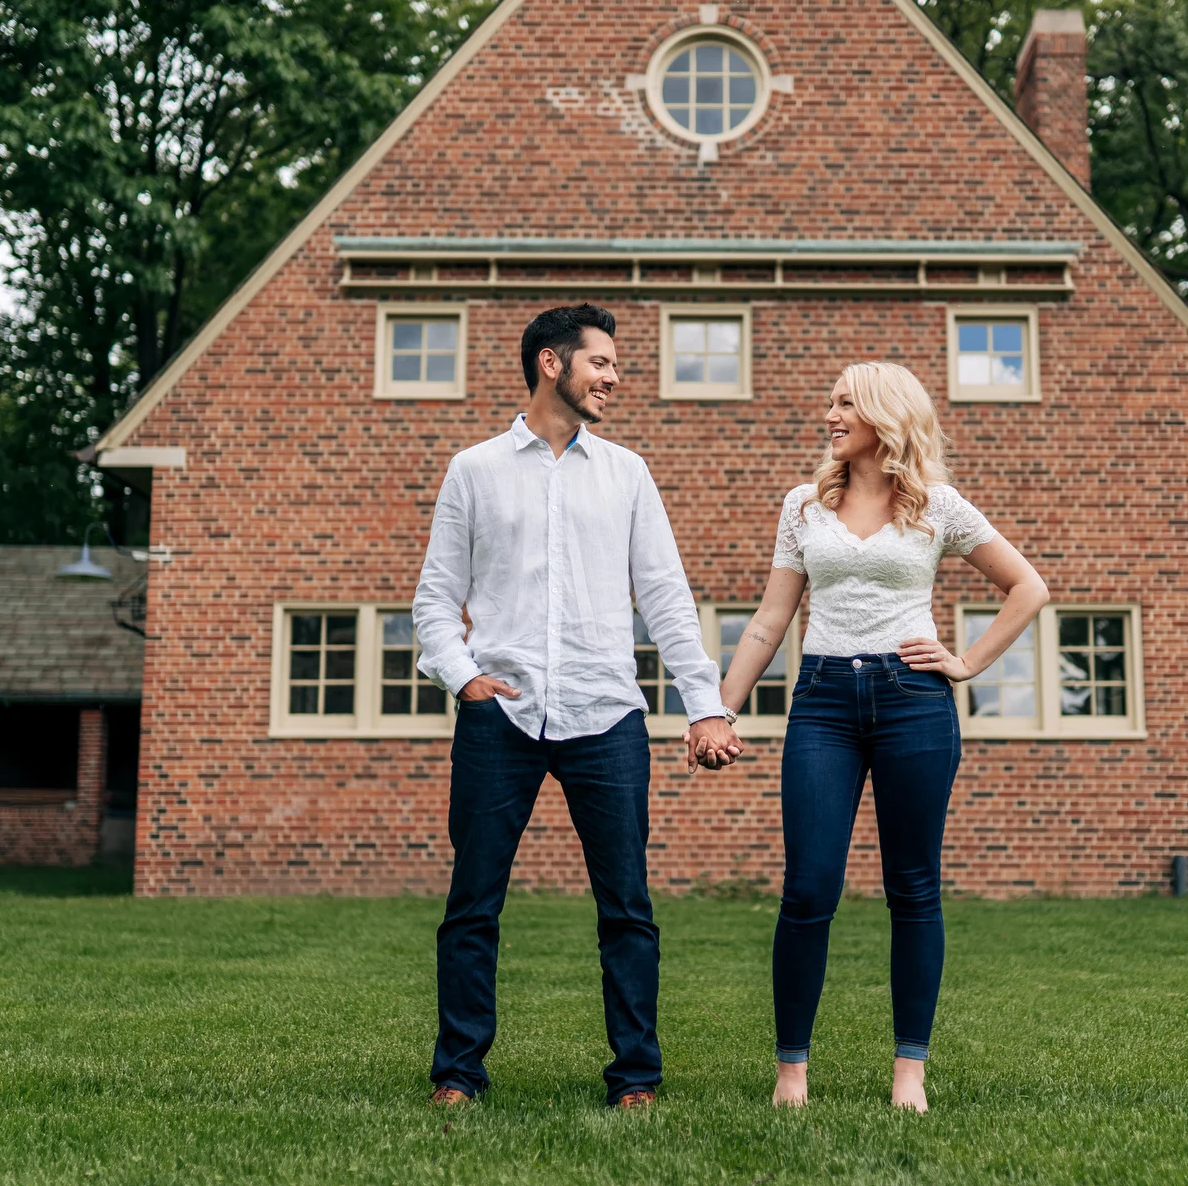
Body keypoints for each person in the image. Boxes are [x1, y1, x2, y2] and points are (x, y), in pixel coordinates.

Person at [413, 303, 743, 1111]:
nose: (615, 378)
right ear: (552, 364)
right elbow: (433, 600)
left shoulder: (626, 473)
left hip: (608, 716)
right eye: (602, 363)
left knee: (627, 906)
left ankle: (636, 1077)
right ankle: (459, 1072)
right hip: (502, 717)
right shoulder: (475, 470)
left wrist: (706, 708)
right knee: (472, 905)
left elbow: (665, 598)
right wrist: (465, 679)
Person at [696, 362, 1048, 1113]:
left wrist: (965, 663)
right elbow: (769, 620)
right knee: (808, 888)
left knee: (914, 889)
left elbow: (1028, 587)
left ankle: (909, 1069)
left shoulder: (937, 505)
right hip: (822, 701)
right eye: (829, 400)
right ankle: (792, 1069)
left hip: (913, 701)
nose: (829, 413)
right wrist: (717, 709)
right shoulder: (804, 504)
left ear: (885, 414)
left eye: (844, 402)